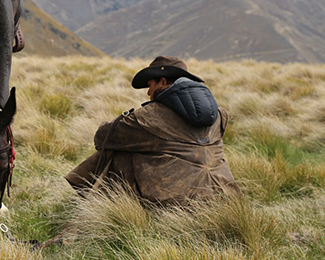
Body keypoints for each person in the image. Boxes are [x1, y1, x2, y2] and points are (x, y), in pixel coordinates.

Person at [65, 56, 240, 205]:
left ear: (163, 82)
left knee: (118, 154)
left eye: (150, 85)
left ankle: (101, 215)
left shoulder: (148, 117)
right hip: (224, 199)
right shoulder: (219, 115)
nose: (149, 92)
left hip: (180, 206)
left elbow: (103, 138)